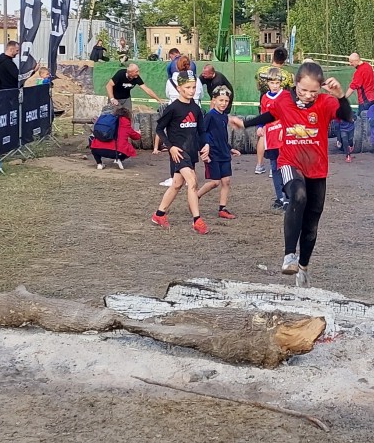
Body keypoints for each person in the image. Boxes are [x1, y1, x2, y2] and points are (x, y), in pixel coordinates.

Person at [231, 61, 352, 287]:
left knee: (311, 224)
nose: (307, 95)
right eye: (303, 90)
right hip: (290, 162)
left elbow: (347, 117)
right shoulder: (285, 100)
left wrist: (341, 95)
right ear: (296, 84)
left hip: (316, 168)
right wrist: (245, 123)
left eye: (313, 91)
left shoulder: (325, 102)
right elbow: (270, 115)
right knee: (298, 196)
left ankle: (303, 267)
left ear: (320, 88)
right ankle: (289, 256)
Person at [151, 70, 210, 234]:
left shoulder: (196, 109)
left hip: (191, 152)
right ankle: (197, 220)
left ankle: (159, 214)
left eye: (194, 87)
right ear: (179, 88)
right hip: (178, 152)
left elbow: (201, 131)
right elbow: (159, 129)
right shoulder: (173, 108)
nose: (192, 91)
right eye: (188, 87)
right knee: (192, 182)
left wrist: (206, 144)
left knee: (177, 184)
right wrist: (170, 147)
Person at [197, 87, 241, 219]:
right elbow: (201, 133)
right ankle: (195, 196)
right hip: (213, 153)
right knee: (215, 182)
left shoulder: (224, 116)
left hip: (224, 153)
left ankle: (222, 209)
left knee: (226, 181)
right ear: (214, 100)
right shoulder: (210, 116)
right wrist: (204, 149)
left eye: (226, 101)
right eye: (221, 100)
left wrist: (229, 148)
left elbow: (222, 136)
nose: (223, 103)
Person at [255, 47, 294, 174]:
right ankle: (277, 165)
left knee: (263, 132)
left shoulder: (261, 70)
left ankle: (259, 164)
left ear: (273, 56)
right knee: (278, 132)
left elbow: (258, 85)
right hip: (279, 105)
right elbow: (291, 90)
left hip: (264, 101)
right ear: (285, 59)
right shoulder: (287, 75)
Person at [258, 68, 287, 210]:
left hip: (284, 140)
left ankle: (288, 198)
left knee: (286, 168)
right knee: (274, 168)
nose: (275, 86)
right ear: (267, 83)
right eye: (272, 83)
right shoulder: (265, 98)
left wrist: (285, 129)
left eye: (277, 83)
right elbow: (263, 114)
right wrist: (260, 126)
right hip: (271, 139)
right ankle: (280, 197)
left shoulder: (285, 96)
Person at [90, 106, 141, 170]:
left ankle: (99, 163)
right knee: (130, 149)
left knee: (94, 144)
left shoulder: (107, 120)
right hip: (115, 151)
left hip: (97, 149)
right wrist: (138, 133)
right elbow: (136, 137)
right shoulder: (126, 123)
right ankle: (119, 159)